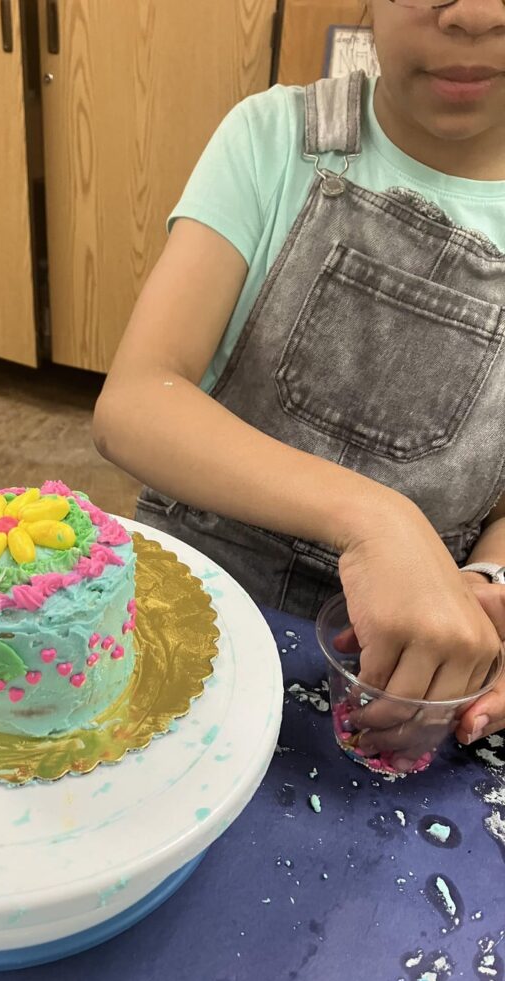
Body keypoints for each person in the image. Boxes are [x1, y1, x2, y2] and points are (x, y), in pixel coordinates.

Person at [93, 0, 505, 751]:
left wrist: (490, 586)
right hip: (195, 599)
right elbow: (136, 402)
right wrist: (377, 520)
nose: (474, 15)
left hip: (409, 675)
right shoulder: (275, 138)